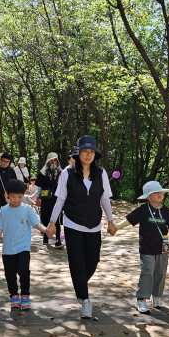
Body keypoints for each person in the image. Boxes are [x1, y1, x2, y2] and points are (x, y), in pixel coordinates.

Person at [46, 135, 117, 319]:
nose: (88, 154)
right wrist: (52, 223)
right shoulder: (67, 173)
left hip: (94, 225)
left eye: (91, 151)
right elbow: (60, 199)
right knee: (77, 262)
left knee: (92, 262)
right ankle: (85, 299)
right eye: (85, 151)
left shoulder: (101, 174)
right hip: (72, 223)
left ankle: (79, 283)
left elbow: (105, 199)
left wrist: (110, 221)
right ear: (78, 154)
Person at [114, 181, 169, 313]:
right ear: (148, 196)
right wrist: (116, 227)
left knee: (160, 273)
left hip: (163, 249)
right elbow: (129, 220)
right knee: (147, 273)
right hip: (146, 248)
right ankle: (141, 299)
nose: (159, 195)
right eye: (155, 193)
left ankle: (157, 296)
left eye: (160, 192)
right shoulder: (142, 210)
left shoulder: (166, 211)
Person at [0, 180, 50, 310]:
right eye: (13, 196)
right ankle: (14, 296)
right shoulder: (3, 211)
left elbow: (36, 224)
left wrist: (46, 230)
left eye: (20, 196)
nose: (16, 199)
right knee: (10, 274)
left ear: (24, 195)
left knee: (24, 271)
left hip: (23, 248)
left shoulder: (27, 209)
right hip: (8, 250)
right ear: (7, 195)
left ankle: (25, 296)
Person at [36, 152, 64, 249]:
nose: (53, 162)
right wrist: (37, 198)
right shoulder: (43, 172)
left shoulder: (61, 172)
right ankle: (45, 236)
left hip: (57, 198)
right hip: (45, 198)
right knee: (45, 217)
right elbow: (39, 185)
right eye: (51, 160)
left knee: (56, 218)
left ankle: (58, 240)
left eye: (55, 160)